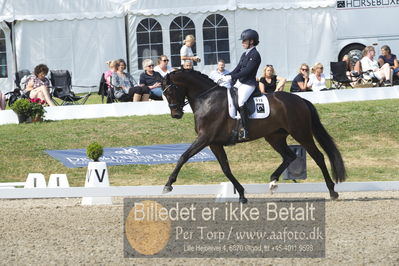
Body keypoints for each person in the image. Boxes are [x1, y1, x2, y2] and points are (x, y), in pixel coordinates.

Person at [220, 29, 261, 141]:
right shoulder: (244, 54)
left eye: (244, 40)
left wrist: (232, 77)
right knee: (230, 98)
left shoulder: (255, 55)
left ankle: (246, 130)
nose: (242, 42)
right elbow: (237, 69)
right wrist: (226, 76)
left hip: (249, 83)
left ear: (251, 41)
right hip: (240, 82)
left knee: (240, 101)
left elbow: (247, 71)